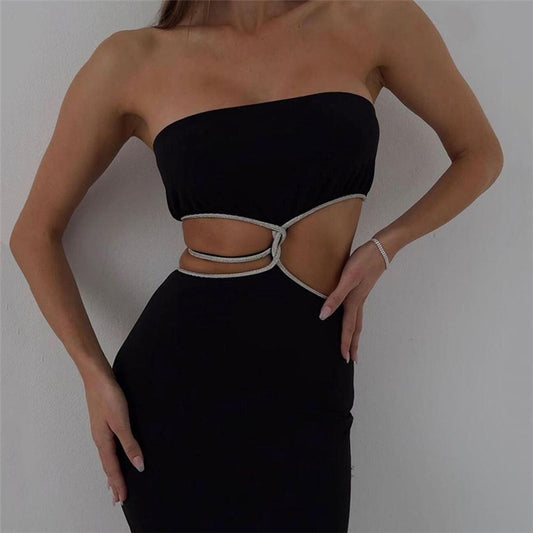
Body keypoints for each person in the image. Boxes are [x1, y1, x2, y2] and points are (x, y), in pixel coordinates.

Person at [9, 0, 503, 531]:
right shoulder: (131, 59)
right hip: (175, 397)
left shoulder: (375, 19)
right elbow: (33, 234)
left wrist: (384, 248)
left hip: (310, 382)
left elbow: (480, 153)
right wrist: (94, 376)